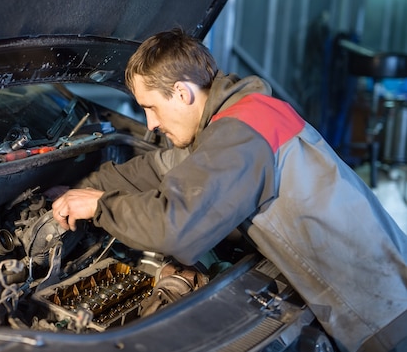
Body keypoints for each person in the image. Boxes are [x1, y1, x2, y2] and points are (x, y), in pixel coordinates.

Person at [51, 28, 407, 352]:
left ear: (181, 92)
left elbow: (176, 230)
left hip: (380, 316)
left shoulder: (240, 136)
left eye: (151, 108)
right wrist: (80, 190)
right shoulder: (243, 116)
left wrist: (101, 207)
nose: (151, 125)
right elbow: (157, 168)